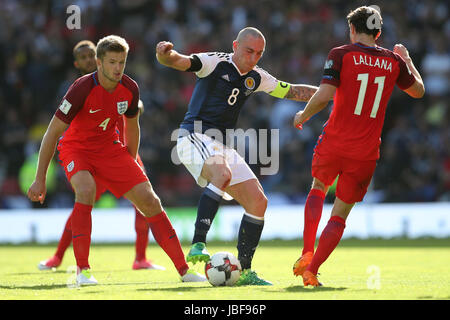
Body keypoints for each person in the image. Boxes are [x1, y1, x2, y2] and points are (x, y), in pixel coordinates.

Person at [28, 35, 205, 286]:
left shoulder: (130, 88)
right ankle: (83, 271)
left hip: (111, 151)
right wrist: (39, 179)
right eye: (112, 62)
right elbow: (52, 133)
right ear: (99, 63)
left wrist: (130, 165)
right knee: (86, 191)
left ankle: (184, 271)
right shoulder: (81, 88)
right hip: (77, 150)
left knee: (150, 200)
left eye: (122, 62)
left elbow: (132, 128)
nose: (118, 68)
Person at [156, 27, 318, 285]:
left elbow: (292, 91)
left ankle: (244, 271)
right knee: (222, 174)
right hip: (193, 136)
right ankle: (199, 242)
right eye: (249, 51)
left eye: (259, 53)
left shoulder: (257, 77)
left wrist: (330, 92)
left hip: (222, 146)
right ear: (235, 45)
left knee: (258, 202)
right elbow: (179, 61)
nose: (253, 58)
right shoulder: (214, 62)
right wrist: (166, 54)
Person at [292, 6, 425, 287]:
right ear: (379, 32)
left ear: (352, 29)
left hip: (335, 140)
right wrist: (408, 60)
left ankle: (306, 251)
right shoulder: (394, 62)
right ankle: (312, 271)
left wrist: (303, 115)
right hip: (365, 151)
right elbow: (418, 91)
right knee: (340, 214)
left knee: (318, 187)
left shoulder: (341, 54)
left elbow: (325, 95)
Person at [37, 40, 165, 272]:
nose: (87, 60)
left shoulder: (119, 81)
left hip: (118, 149)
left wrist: (130, 154)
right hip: (89, 154)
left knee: (144, 201)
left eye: (90, 55)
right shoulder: (79, 88)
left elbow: (132, 109)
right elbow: (59, 128)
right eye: (83, 57)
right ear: (79, 63)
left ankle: (141, 257)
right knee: (84, 202)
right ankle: (58, 257)